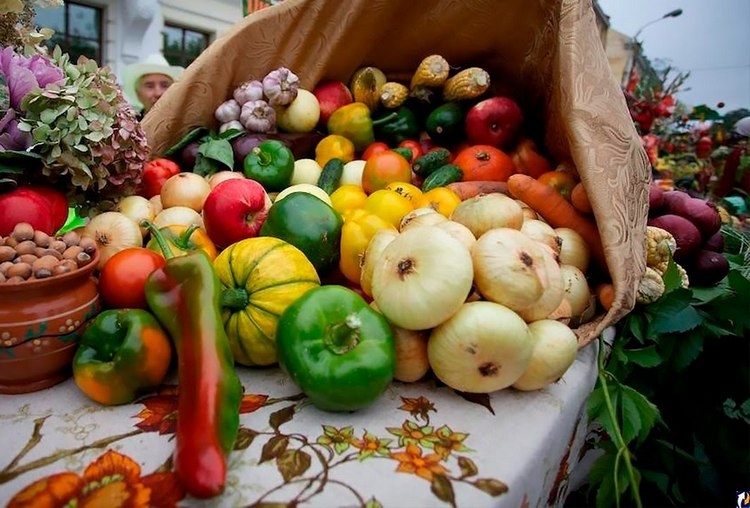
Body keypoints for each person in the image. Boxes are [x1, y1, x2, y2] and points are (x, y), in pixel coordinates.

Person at [122, 52, 184, 118]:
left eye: (165, 85)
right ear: (138, 94)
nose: (158, 93)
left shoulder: (187, 124)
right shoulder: (130, 126)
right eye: (150, 86)